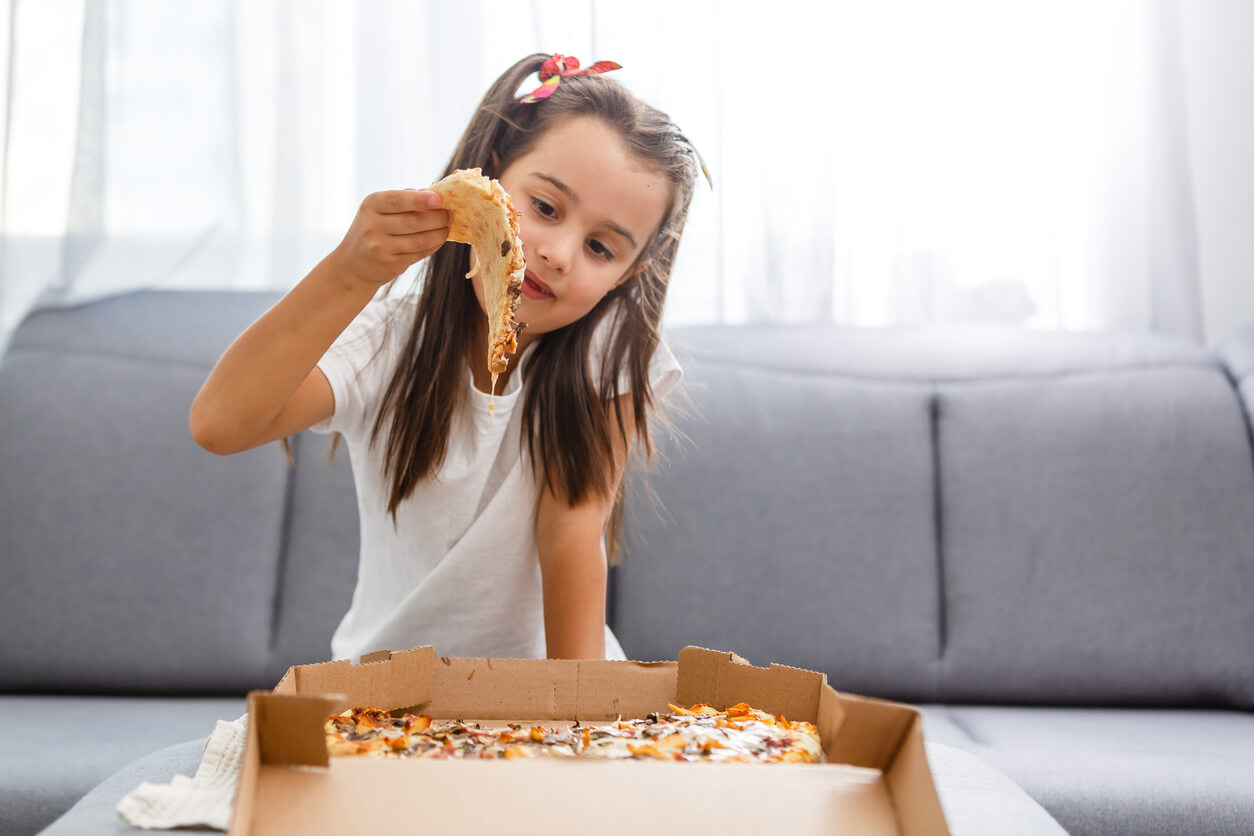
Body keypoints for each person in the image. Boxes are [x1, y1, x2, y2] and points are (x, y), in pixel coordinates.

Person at [189, 53, 702, 663]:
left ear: (629, 274)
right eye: (544, 208)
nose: (560, 253)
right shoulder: (387, 338)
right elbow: (219, 425)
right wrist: (350, 270)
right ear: (485, 179)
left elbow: (571, 531)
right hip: (391, 694)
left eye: (600, 247)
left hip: (547, 692)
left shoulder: (606, 352)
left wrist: (576, 723)